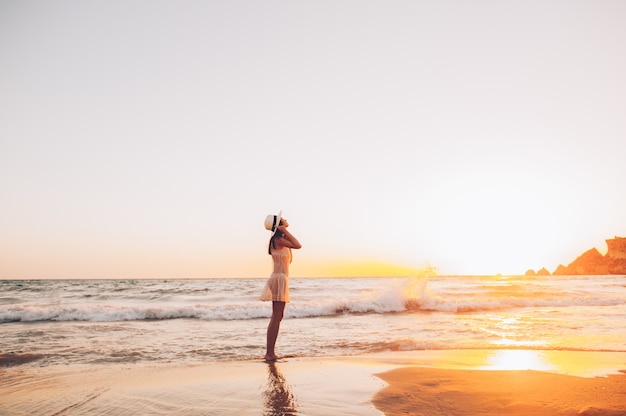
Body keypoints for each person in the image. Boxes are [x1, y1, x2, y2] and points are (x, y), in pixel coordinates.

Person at [261, 212, 302, 362]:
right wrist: (284, 230)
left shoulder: (280, 240)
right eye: (283, 219)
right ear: (278, 224)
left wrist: (283, 231)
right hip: (278, 279)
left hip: (280, 279)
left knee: (278, 316)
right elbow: (298, 245)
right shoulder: (278, 239)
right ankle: (269, 353)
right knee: (276, 317)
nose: (286, 219)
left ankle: (270, 352)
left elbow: (294, 246)